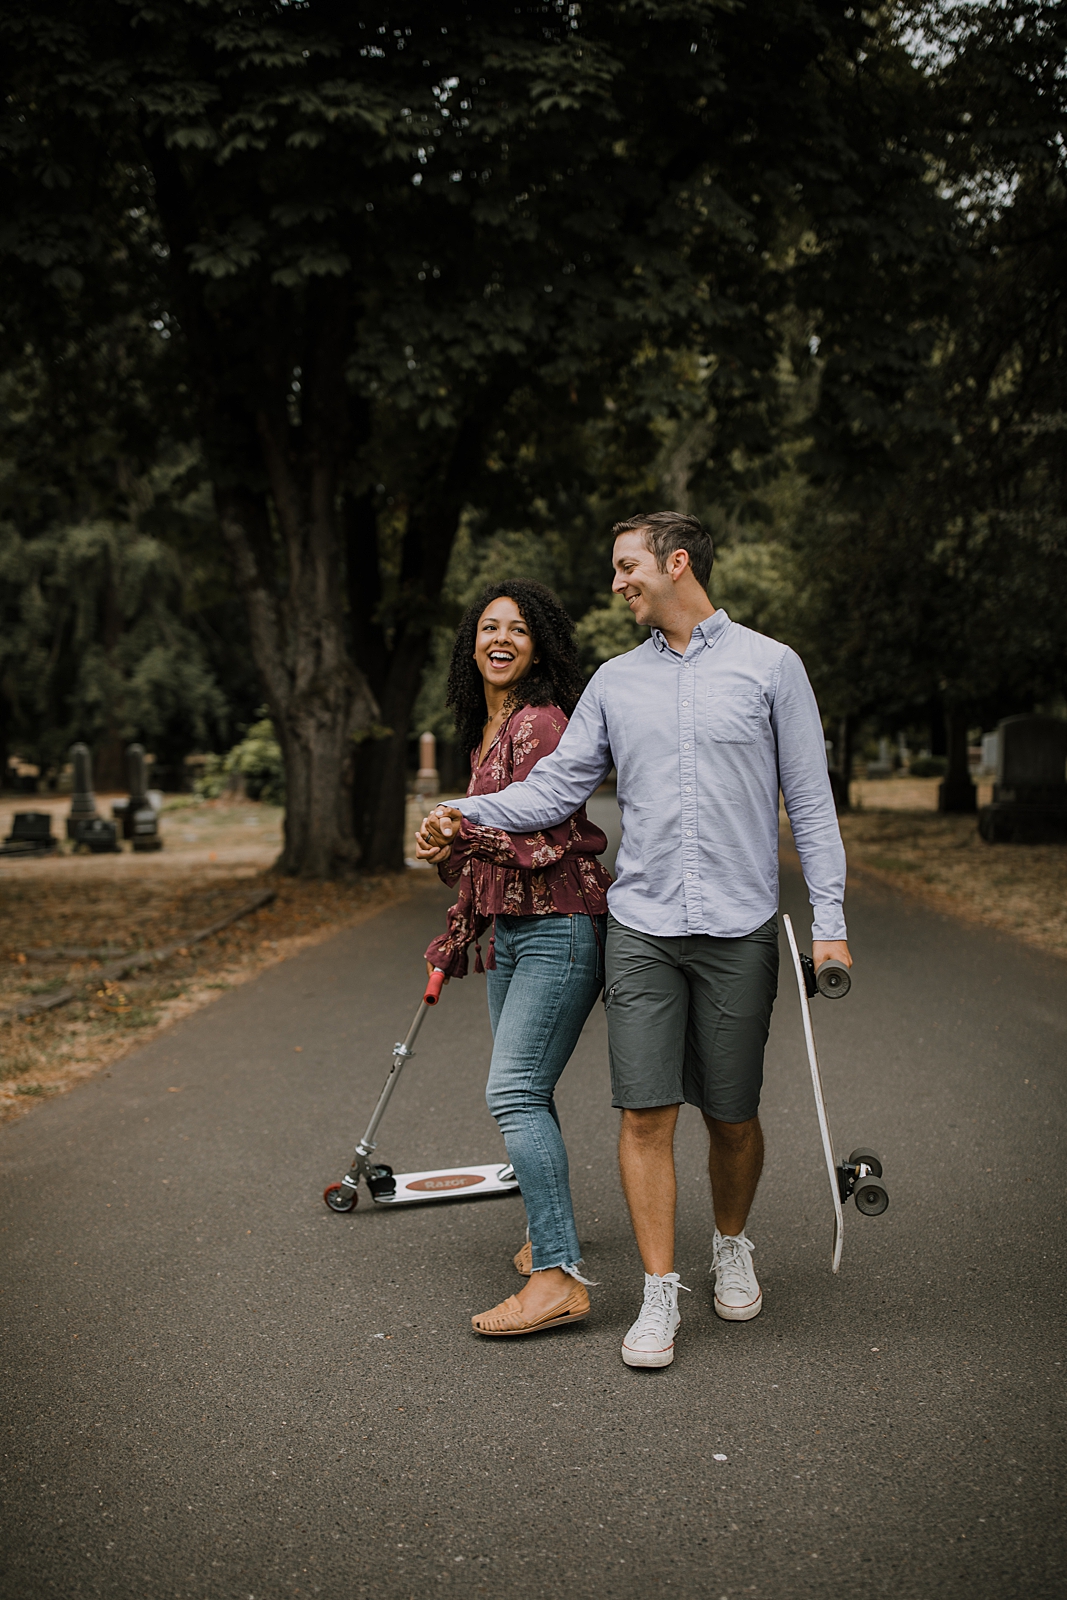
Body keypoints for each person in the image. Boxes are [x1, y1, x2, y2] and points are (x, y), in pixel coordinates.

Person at [420, 512, 850, 1369]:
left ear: (674, 563)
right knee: (644, 1112)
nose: (615, 583)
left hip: (738, 929)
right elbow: (551, 792)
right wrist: (462, 811)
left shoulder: (771, 666)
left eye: (625, 566)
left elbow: (810, 803)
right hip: (643, 928)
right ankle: (659, 1296)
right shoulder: (616, 682)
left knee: (730, 1115)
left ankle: (730, 1242)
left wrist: (830, 928)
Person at [416, 579, 612, 1338]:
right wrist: (444, 851)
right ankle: (547, 1234)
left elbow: (549, 833)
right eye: (488, 627)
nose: (500, 638)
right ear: (472, 641)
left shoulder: (542, 724)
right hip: (511, 932)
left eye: (518, 629)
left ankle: (557, 1277)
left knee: (515, 1090)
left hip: (561, 926)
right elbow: (481, 860)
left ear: (539, 647)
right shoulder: (487, 732)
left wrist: (460, 828)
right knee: (529, 1090)